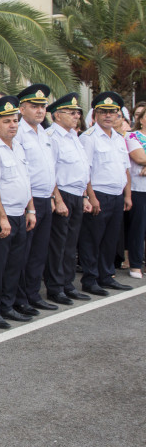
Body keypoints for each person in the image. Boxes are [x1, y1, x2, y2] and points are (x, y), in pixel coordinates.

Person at [0, 96, 37, 329]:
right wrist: (3, 217)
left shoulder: (18, 147)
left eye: (15, 120)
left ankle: (8, 305)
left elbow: (26, 181)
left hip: (19, 213)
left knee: (15, 264)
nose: (13, 125)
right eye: (6, 121)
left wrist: (31, 209)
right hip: (1, 217)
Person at [12, 85, 64, 314]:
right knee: (23, 252)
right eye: (34, 106)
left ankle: (33, 294)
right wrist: (30, 205)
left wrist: (54, 197)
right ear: (22, 109)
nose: (40, 111)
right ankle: (19, 298)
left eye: (42, 106)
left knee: (39, 251)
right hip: (27, 202)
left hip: (44, 199)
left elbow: (49, 169)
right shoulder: (18, 132)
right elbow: (21, 171)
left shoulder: (44, 132)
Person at [79, 92, 133, 295]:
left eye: (113, 112)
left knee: (111, 239)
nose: (108, 116)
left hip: (117, 194)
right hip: (99, 194)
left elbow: (125, 169)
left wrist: (127, 195)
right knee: (92, 238)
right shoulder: (89, 138)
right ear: (95, 115)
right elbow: (86, 170)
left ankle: (106, 275)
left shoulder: (119, 138)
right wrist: (91, 197)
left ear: (119, 115)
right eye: (103, 112)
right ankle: (90, 278)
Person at [44, 93, 91, 304]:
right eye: (71, 113)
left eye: (78, 112)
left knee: (71, 243)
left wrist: (85, 196)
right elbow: (50, 171)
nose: (76, 116)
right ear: (57, 115)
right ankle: (55, 286)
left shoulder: (73, 135)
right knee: (58, 244)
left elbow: (81, 169)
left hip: (76, 194)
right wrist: (58, 199)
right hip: (62, 193)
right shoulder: (51, 136)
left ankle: (67, 283)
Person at [123, 116, 146, 278]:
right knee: (138, 227)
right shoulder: (132, 136)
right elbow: (139, 158)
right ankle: (135, 264)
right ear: (142, 119)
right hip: (139, 189)